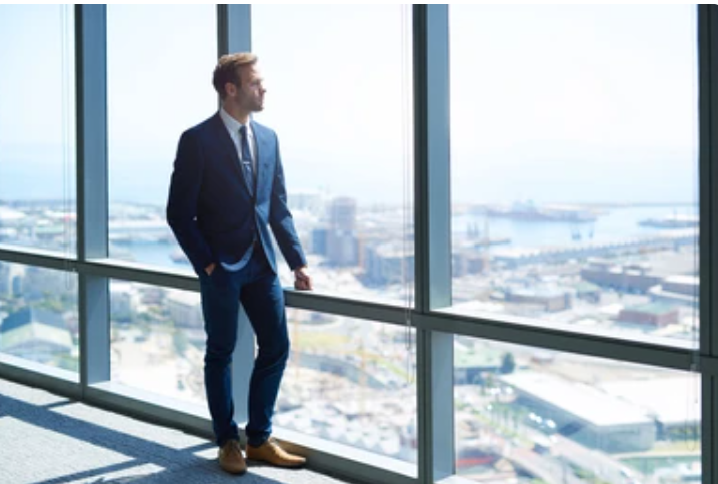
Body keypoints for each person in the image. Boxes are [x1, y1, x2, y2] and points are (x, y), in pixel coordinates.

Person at [166, 52, 312, 475]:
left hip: (263, 265)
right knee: (221, 353)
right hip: (221, 269)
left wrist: (297, 262)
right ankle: (227, 440)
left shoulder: (269, 138)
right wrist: (206, 264)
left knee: (277, 347)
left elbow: (277, 207)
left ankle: (260, 439)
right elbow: (178, 213)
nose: (263, 89)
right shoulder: (197, 140)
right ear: (231, 89)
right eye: (255, 83)